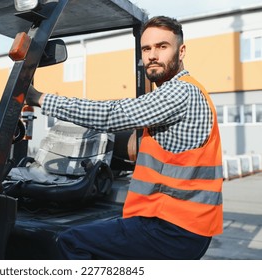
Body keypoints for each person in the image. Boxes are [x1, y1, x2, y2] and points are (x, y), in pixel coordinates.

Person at [26, 16, 223, 259]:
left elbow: (113, 115)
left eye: (162, 47)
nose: (152, 55)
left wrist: (40, 98)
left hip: (171, 228)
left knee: (70, 242)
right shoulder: (184, 91)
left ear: (181, 51)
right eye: (146, 48)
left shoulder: (181, 91)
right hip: (180, 224)